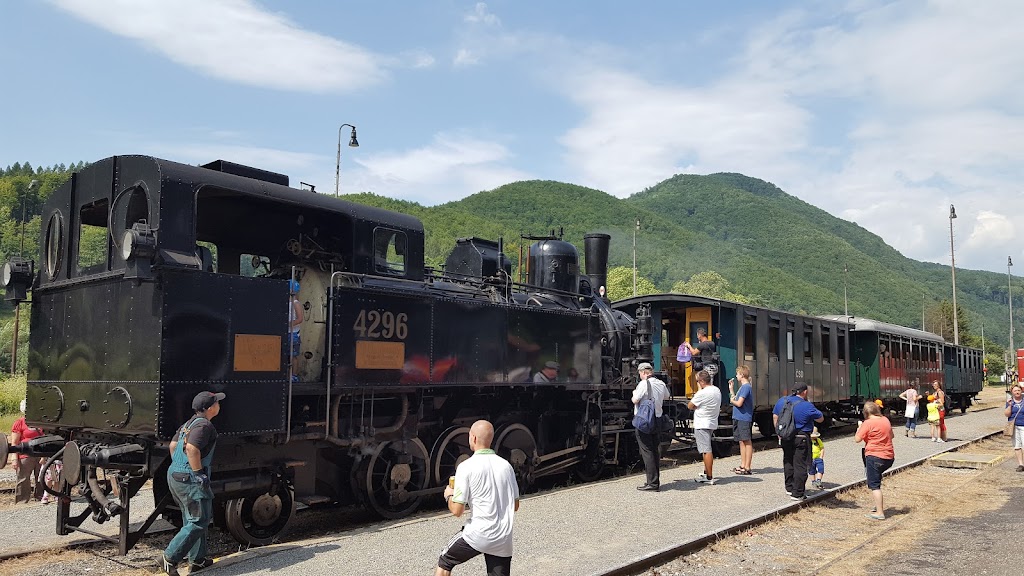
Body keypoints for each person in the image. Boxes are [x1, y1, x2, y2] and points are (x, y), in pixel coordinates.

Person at [437, 420, 520, 576]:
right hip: (503, 538)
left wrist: (449, 495)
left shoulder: (465, 467)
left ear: (473, 438)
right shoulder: (506, 466)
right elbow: (515, 506)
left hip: (477, 535)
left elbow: (457, 511)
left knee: (445, 562)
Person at [162, 391, 226, 576]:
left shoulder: (188, 424)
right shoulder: (205, 425)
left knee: (190, 518)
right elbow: (191, 448)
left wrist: (180, 465)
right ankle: (169, 558)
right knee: (199, 520)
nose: (219, 405)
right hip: (190, 478)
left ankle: (197, 560)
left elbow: (173, 446)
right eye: (217, 402)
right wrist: (197, 472)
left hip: (176, 474)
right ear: (210, 408)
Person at [772, 384, 823, 501]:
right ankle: (798, 493)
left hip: (785, 437)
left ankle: (789, 488)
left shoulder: (782, 401)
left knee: (788, 462)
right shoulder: (806, 405)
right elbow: (820, 418)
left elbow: (775, 416)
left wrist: (779, 432)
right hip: (801, 437)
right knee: (800, 465)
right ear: (804, 392)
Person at [632, 362, 669, 491]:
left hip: (645, 420)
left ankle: (652, 483)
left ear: (643, 372)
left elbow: (635, 400)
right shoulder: (661, 383)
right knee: (654, 450)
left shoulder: (643, 384)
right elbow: (666, 396)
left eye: (640, 373)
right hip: (657, 419)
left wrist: (634, 393)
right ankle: (655, 481)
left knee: (647, 451)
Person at [855, 401, 895, 520]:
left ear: (865, 412)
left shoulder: (867, 423)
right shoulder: (885, 420)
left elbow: (857, 439)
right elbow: (892, 436)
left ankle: (880, 513)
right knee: (877, 479)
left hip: (874, 457)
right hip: (888, 457)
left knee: (874, 485)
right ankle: (878, 505)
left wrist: (859, 428)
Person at [689, 370, 722, 485]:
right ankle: (706, 472)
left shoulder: (702, 393)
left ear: (702, 381)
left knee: (706, 450)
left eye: (698, 381)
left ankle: (709, 477)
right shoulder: (716, 390)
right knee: (706, 448)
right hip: (711, 422)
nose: (697, 383)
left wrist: (699, 391)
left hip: (702, 424)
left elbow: (690, 405)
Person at [9, 399, 44, 504]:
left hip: (41, 453)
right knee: (23, 478)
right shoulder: (19, 423)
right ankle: (22, 501)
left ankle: (41, 498)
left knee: (41, 477)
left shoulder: (42, 422)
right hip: (25, 455)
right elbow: (14, 442)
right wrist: (14, 458)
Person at [728, 365, 754, 475]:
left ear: (742, 375)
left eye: (737, 374)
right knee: (741, 441)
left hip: (744, 417)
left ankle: (747, 467)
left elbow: (738, 403)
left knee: (746, 441)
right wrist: (731, 389)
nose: (736, 376)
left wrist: (732, 401)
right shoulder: (742, 387)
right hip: (738, 417)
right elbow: (736, 399)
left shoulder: (746, 387)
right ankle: (743, 465)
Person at [1005, 383, 1024, 472]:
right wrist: (1009, 406)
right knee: (1017, 446)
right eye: (1015, 390)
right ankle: (1021, 464)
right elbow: (1007, 414)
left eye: (1018, 390)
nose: (1017, 392)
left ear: (1021, 391)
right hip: (1014, 427)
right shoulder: (1010, 402)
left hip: (1023, 426)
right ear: (1012, 392)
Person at [289, 279, 304, 383]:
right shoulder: (287, 302)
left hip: (294, 333)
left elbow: (300, 319)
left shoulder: (296, 303)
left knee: (293, 356)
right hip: (287, 332)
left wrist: (289, 324)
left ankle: (294, 375)